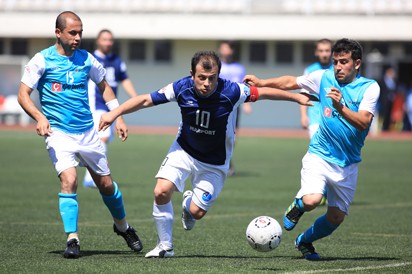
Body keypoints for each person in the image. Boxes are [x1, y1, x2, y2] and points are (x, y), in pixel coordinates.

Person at [99, 51, 313, 258]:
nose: (206, 83)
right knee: (161, 191)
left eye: (212, 78)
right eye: (201, 78)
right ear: (192, 75)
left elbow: (264, 93)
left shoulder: (232, 91)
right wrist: (114, 113)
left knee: (196, 212)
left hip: (215, 162)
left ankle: (188, 205)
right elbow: (146, 100)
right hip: (183, 150)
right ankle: (165, 246)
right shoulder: (180, 87)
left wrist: (296, 99)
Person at [17, 11, 143, 259]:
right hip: (58, 133)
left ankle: (123, 227)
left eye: (80, 33)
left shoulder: (87, 60)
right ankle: (72, 239)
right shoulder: (42, 60)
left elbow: (105, 88)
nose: (77, 38)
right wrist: (40, 117)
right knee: (70, 180)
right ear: (58, 33)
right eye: (72, 33)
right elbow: (23, 94)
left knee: (106, 185)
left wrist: (116, 115)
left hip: (88, 131)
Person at [243, 38, 380, 260]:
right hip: (320, 154)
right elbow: (291, 82)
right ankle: (298, 205)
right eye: (335, 62)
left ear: (356, 63)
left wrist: (340, 107)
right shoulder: (324, 77)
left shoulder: (369, 88)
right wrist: (261, 82)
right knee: (312, 200)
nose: (337, 67)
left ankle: (304, 241)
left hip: (348, 163)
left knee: (336, 218)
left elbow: (364, 122)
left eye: (343, 62)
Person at [83, 29, 138, 188]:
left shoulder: (116, 60)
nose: (108, 42)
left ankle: (93, 175)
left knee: (102, 140)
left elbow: (124, 79)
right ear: (98, 41)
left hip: (111, 106)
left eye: (110, 40)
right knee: (102, 138)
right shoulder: (90, 59)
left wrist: (135, 97)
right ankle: (93, 177)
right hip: (96, 105)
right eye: (105, 39)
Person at [218, 41, 251, 176]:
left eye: (228, 48)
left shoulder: (239, 68)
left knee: (232, 137)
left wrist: (247, 103)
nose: (226, 51)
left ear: (231, 51)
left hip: (234, 106)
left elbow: (243, 87)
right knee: (217, 134)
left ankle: (227, 160)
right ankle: (220, 163)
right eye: (223, 48)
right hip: (218, 106)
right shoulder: (216, 65)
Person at [300, 39, 333, 138]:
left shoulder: (338, 70)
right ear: (316, 52)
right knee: (317, 150)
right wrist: (303, 115)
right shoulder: (310, 70)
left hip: (334, 120)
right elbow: (304, 93)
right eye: (321, 51)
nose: (324, 54)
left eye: (327, 50)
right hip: (315, 119)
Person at [378, 66, 398, 131]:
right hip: (383, 101)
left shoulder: (394, 81)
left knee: (389, 115)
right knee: (383, 115)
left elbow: (395, 90)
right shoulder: (382, 80)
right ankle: (382, 128)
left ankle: (387, 128)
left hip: (391, 101)